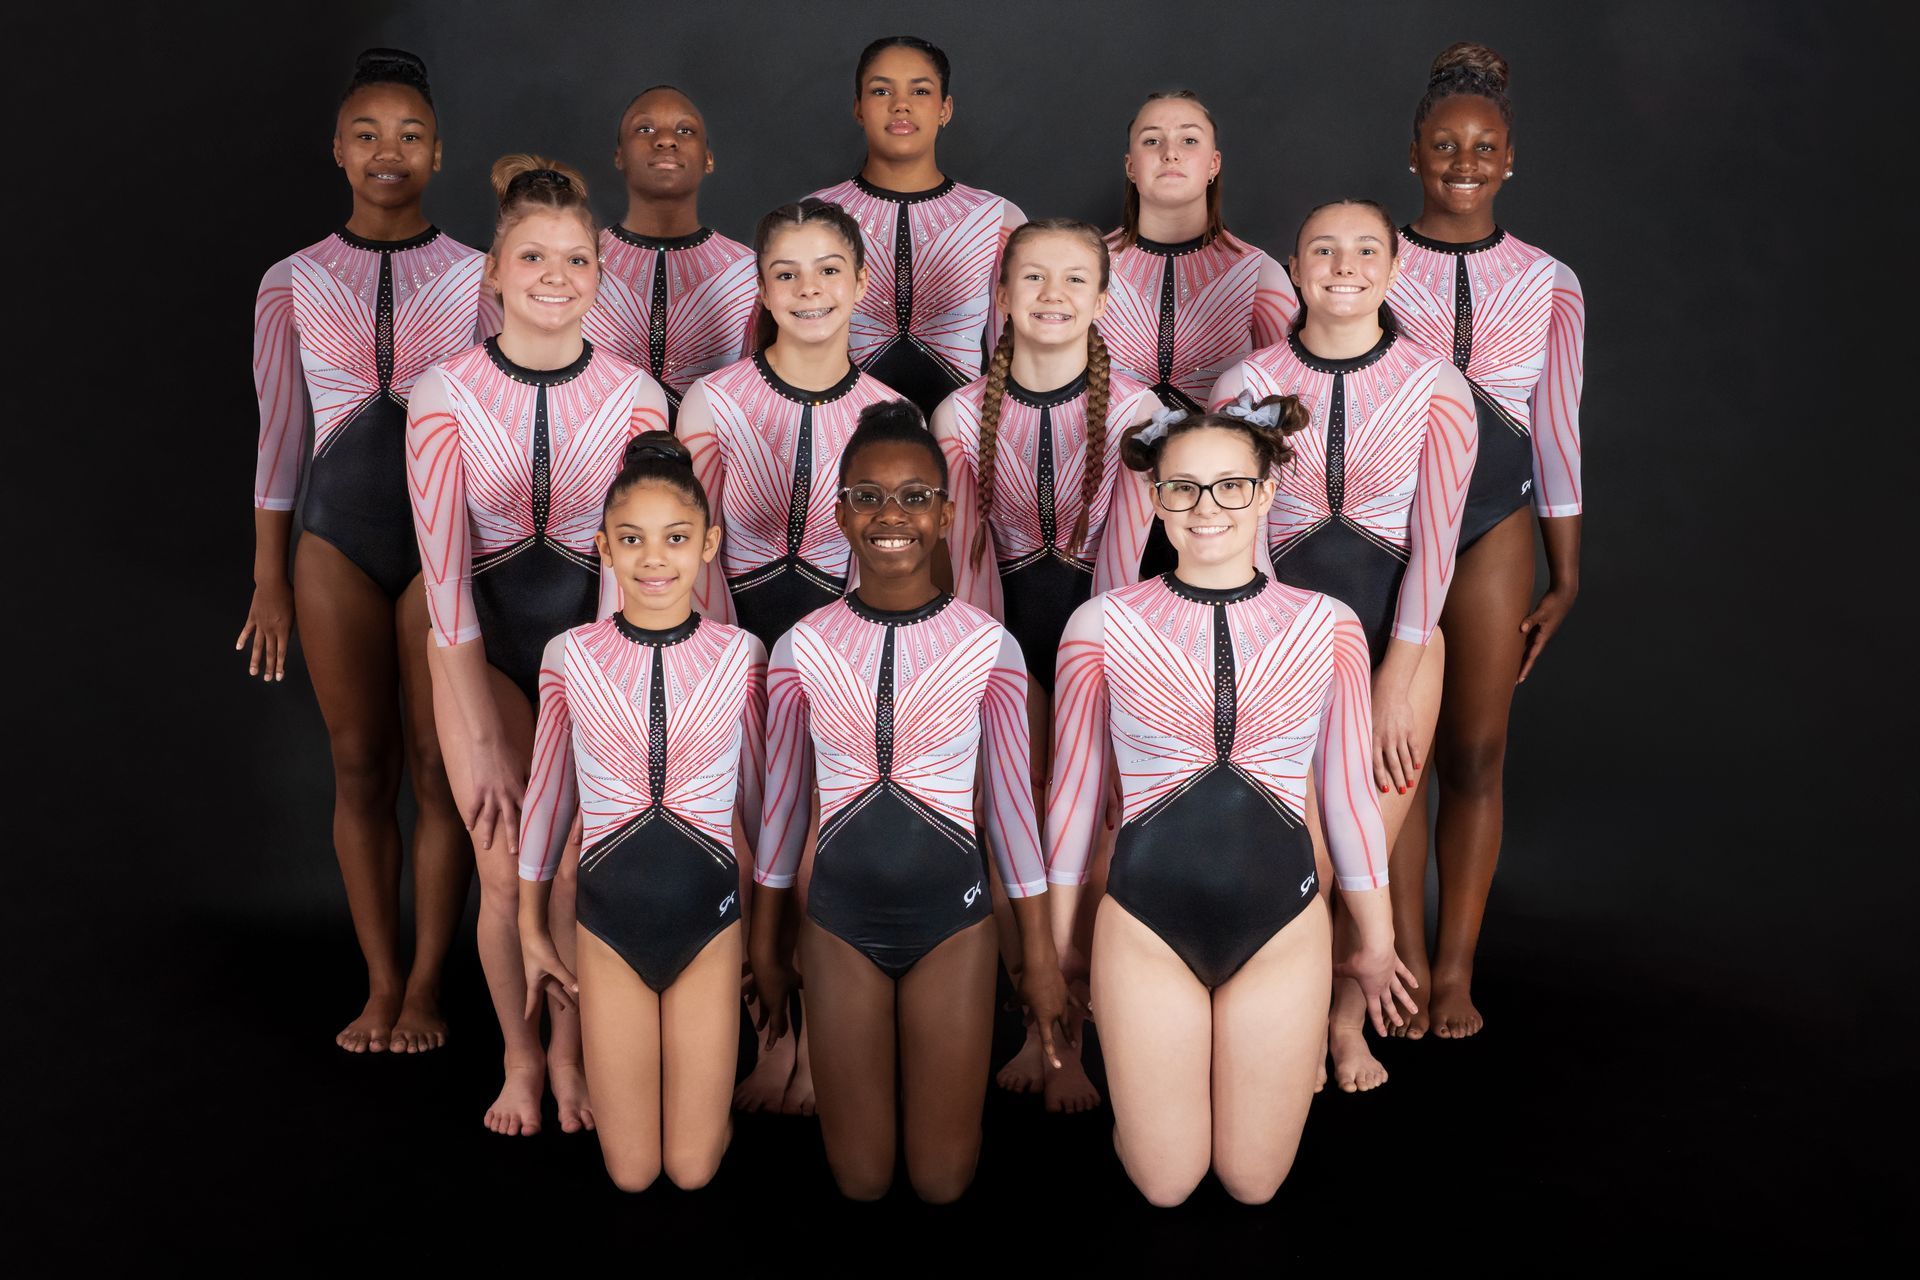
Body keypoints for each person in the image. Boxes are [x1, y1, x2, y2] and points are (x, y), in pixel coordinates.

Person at [1047, 403, 1416, 1206]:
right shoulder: (1100, 626)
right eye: (1183, 489)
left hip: (1282, 926)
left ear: (1266, 490)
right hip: (1143, 925)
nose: (1207, 507)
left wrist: (1379, 941)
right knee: (1166, 1184)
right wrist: (1058, 944)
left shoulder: (1330, 626)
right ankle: (1155, 1095)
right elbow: (1073, 798)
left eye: (1229, 486)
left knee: (1253, 1184)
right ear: (1153, 498)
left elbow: (1349, 795)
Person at [239, 48, 496, 1055]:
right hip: (333, 542)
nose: (389, 152)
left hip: (444, 549)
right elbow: (279, 439)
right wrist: (268, 577)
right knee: (359, 762)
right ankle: (378, 979)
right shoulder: (292, 281)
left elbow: (499, 417)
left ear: (439, 149)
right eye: (367, 134)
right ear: (336, 149)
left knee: (437, 765)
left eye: (410, 134)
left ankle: (429, 984)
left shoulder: (480, 275)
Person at [407, 155, 669, 1134]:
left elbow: (628, 584)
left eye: (574, 259)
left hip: (589, 650)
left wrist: (588, 726)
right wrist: (479, 739)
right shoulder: (443, 396)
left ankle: (569, 1051)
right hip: (480, 652)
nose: (554, 276)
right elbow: (446, 595)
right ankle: (520, 1059)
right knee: (506, 857)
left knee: (575, 865)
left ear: (600, 272)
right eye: (533, 257)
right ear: (495, 271)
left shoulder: (640, 397)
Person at [750, 401, 1071, 1203]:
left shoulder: (987, 646)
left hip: (953, 926)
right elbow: (784, 815)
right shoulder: (802, 647)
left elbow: (1012, 820)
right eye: (868, 496)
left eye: (915, 496)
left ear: (945, 513)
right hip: (837, 926)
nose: (890, 514)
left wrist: (1038, 960)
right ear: (840, 513)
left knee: (941, 1180)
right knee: (858, 1181)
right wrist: (765, 946)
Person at [1212, 197, 1476, 1089]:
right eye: (1323, 249)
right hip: (1282, 646)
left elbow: (1436, 547)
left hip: (1395, 644)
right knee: (1296, 852)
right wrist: (1260, 663)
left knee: (1351, 850)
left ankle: (1342, 1020)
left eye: (1367, 250)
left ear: (1396, 270)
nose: (1344, 265)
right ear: (1295, 267)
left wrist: (1398, 676)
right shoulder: (1247, 384)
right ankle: (1277, 1018)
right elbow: (1238, 540)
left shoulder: (1437, 387)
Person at [931, 216, 1161, 1111]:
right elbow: (965, 562)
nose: (1052, 296)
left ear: (1104, 301)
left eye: (1073, 281)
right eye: (1031, 279)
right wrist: (998, 675)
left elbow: (1128, 555)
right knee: (1009, 821)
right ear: (1001, 295)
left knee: (1098, 820)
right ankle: (1035, 1024)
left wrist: (1087, 681)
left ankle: (1088, 1024)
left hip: (1100, 635)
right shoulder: (956, 414)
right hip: (1000, 637)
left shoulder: (1140, 414)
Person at [1383, 42, 1586, 1038]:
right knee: (1398, 754)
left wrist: (1569, 570)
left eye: (1484, 147)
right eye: (1445, 144)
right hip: (1389, 524)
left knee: (1472, 750)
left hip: (1494, 522)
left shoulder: (1549, 281)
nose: (1464, 161)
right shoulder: (1367, 257)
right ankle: (1405, 960)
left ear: (1511, 159)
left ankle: (1457, 965)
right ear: (1413, 151)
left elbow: (1554, 429)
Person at [677, 196, 897, 1113]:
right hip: (740, 639)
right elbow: (688, 552)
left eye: (827, 272)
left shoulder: (889, 409)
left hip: (840, 647)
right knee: (741, 838)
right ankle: (758, 1034)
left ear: (860, 284)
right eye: (786, 274)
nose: (809, 290)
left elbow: (902, 555)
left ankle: (815, 1044)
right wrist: (712, 665)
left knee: (817, 844)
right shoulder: (716, 399)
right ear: (761, 289)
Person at [519, 432, 765, 1191]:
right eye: (633, 540)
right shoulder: (571, 656)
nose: (655, 559)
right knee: (630, 1174)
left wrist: (768, 929)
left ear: (708, 546)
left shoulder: (742, 654)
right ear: (604, 549)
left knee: (690, 1171)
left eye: (676, 539)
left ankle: (714, 1091)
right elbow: (548, 798)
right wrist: (531, 929)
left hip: (712, 920)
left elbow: (760, 805)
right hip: (608, 924)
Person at [809, 35, 1024, 416]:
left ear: (946, 108)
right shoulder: (814, 216)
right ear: (858, 108)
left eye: (921, 91)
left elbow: (1015, 357)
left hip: (964, 440)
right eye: (880, 91)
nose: (901, 105)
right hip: (839, 437)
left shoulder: (997, 218)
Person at [1101, 90, 1298, 414]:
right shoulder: (1086, 267)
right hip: (1106, 461)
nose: (1170, 154)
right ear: (1131, 166)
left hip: (1223, 462)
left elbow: (1286, 398)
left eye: (1189, 140)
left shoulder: (1259, 274)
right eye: (1152, 141)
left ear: (1213, 164)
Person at [584, 86, 756, 425]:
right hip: (596, 466)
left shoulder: (748, 270)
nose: (665, 140)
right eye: (645, 129)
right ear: (618, 155)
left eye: (685, 130)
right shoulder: (576, 262)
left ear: (709, 158)